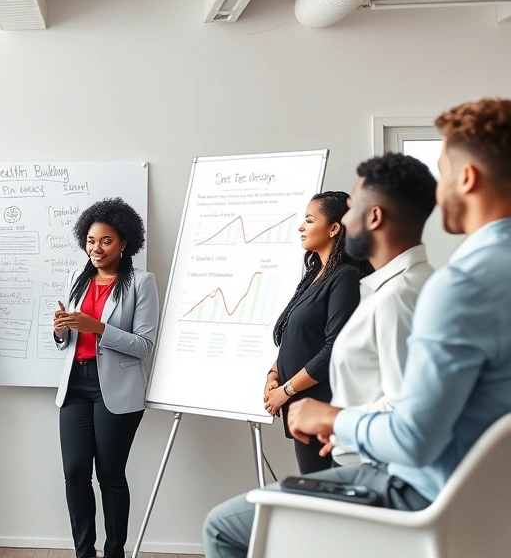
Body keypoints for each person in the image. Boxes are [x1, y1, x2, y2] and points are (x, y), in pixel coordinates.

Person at [204, 98, 511, 558]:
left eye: (444, 170)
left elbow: (412, 438)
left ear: (466, 179)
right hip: (475, 500)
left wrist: (329, 416)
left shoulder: (456, 287)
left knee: (224, 527)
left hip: (417, 491)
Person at [50, 197, 159, 558]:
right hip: (75, 386)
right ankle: (84, 552)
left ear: (124, 242)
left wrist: (97, 327)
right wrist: (61, 330)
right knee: (75, 471)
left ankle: (114, 551)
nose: (96, 249)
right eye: (91, 241)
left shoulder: (142, 283)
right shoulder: (75, 279)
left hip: (116, 390)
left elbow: (143, 345)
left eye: (106, 241)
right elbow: (65, 341)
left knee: (110, 475)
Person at [327, 154, 436, 466]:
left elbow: (404, 407)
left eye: (352, 209)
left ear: (374, 217)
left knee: (227, 518)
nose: (345, 221)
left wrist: (330, 418)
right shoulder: (414, 283)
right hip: (366, 458)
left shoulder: (397, 297)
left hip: (374, 468)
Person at [263, 191, 373, 473]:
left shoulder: (345, 277)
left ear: (334, 228)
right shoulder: (314, 276)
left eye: (309, 220)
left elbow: (334, 349)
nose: (301, 227)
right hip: (300, 406)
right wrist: (274, 374)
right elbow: (298, 335)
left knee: (322, 495)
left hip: (322, 406)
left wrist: (286, 390)